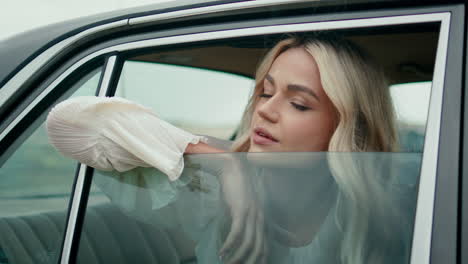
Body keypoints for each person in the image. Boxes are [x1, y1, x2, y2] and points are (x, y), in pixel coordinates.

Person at [47, 34, 411, 264]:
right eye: (266, 93)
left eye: (298, 103)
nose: (265, 109)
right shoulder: (209, 188)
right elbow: (70, 123)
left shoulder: (384, 216)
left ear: (349, 128)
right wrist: (227, 166)